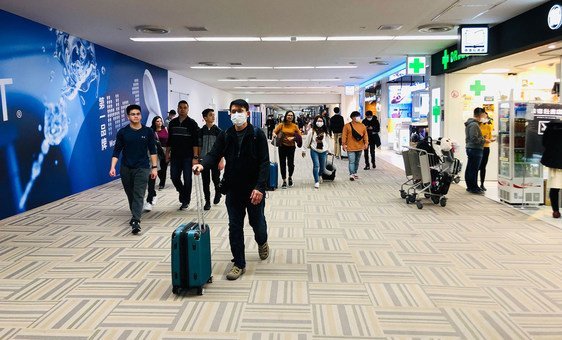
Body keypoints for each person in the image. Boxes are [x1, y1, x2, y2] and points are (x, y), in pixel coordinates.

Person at [193, 99, 269, 281]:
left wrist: (260, 187)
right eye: (233, 111)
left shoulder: (258, 135)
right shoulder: (226, 135)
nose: (236, 114)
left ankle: (262, 241)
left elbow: (264, 163)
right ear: (230, 114)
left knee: (256, 223)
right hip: (233, 188)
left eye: (240, 111)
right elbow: (214, 154)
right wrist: (202, 165)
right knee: (235, 226)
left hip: (253, 190)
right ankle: (239, 263)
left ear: (248, 113)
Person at [109, 104, 158, 234]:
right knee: (130, 193)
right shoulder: (123, 132)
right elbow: (116, 151)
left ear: (141, 115)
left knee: (139, 193)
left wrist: (154, 168)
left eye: (138, 114)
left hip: (142, 167)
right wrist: (113, 167)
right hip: (126, 168)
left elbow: (153, 151)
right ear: (128, 116)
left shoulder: (148, 131)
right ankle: (135, 213)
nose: (136, 116)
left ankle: (136, 220)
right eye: (133, 114)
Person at [166, 100, 200, 210]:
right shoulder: (172, 123)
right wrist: (167, 153)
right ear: (177, 109)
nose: (182, 109)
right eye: (180, 107)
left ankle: (186, 201)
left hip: (188, 156)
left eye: (185, 107)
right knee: (174, 177)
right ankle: (182, 192)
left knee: (187, 179)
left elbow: (195, 142)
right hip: (175, 155)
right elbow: (169, 140)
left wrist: (195, 157)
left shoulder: (192, 123)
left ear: (188, 109)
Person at [198, 108, 223, 210]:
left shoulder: (219, 131)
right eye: (210, 115)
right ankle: (207, 201)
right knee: (205, 181)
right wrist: (198, 158)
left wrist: (221, 160)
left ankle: (218, 192)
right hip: (204, 160)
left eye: (213, 115)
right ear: (205, 118)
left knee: (216, 179)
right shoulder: (200, 131)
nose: (213, 117)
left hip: (216, 159)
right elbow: (199, 146)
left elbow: (222, 148)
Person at [301, 115, 333, 188]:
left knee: (322, 167)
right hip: (314, 150)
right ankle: (316, 181)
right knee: (316, 165)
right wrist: (303, 150)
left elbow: (327, 141)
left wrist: (329, 150)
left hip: (323, 150)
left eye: (321, 121)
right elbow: (307, 141)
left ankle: (320, 175)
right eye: (318, 121)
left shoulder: (325, 131)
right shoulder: (312, 131)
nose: (320, 122)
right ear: (315, 122)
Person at [272, 111, 302, 189]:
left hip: (291, 147)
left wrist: (293, 138)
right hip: (282, 146)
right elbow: (274, 131)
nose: (290, 116)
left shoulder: (295, 126)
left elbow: (299, 135)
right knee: (282, 163)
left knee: (290, 164)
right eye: (288, 115)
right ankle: (284, 180)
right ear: (286, 116)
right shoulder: (281, 125)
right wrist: (274, 134)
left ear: (293, 117)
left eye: (291, 115)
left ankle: (290, 177)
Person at [142, 116, 166, 212]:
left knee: (151, 183)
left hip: (154, 165)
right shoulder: (141, 143)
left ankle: (149, 201)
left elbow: (160, 154)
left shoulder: (155, 143)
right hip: (143, 165)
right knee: (146, 183)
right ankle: (154, 195)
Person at [540, 120, 562, 218]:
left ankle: (556, 211)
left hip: (554, 161)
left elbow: (544, 143)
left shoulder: (551, 127)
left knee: (554, 187)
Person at [464, 107, 489, 194]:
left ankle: (470, 186)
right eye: (484, 115)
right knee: (473, 169)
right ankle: (474, 187)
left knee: (470, 168)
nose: (484, 117)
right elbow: (474, 138)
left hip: (472, 148)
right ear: (480, 115)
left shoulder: (472, 124)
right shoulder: (474, 125)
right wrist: (483, 140)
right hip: (475, 149)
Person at [342, 111, 368, 181]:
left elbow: (365, 135)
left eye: (359, 116)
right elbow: (344, 136)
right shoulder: (347, 126)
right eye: (357, 116)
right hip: (350, 147)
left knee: (357, 161)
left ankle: (355, 172)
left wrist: (366, 143)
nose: (358, 117)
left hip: (360, 147)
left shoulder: (362, 126)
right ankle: (351, 174)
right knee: (351, 161)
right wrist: (343, 144)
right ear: (352, 118)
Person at [478, 112, 495, 191]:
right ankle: (474, 183)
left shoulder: (489, 125)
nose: (484, 117)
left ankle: (482, 184)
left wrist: (491, 139)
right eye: (483, 116)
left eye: (486, 116)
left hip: (486, 148)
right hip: (478, 148)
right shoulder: (477, 125)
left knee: (483, 167)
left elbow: (491, 135)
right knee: (477, 166)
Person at [152, 116, 169, 190]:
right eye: (157, 121)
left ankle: (162, 183)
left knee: (164, 168)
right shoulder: (152, 131)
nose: (159, 123)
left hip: (165, 151)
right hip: (156, 152)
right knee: (158, 168)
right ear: (154, 122)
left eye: (160, 121)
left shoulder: (165, 129)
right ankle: (161, 180)